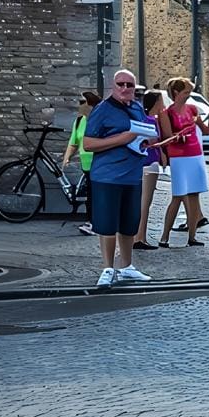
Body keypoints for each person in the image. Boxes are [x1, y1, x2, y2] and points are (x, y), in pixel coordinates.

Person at [81, 70, 153, 287]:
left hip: (132, 175)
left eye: (129, 85)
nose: (124, 88)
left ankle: (126, 266)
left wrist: (145, 141)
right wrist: (122, 139)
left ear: (135, 88)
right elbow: (88, 144)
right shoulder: (102, 110)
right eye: (120, 84)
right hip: (107, 175)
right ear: (113, 86)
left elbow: (141, 134)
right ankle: (107, 268)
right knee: (107, 224)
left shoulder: (137, 107)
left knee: (129, 224)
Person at [158, 77, 209, 248]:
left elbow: (206, 131)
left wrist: (207, 119)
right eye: (186, 92)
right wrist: (180, 135)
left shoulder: (193, 109)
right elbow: (167, 136)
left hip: (195, 154)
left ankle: (192, 236)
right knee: (178, 195)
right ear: (176, 93)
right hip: (179, 156)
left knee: (195, 195)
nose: (189, 95)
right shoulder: (167, 112)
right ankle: (164, 236)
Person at [134, 90, 173, 250]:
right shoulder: (150, 120)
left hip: (143, 161)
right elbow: (155, 139)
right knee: (145, 202)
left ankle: (138, 236)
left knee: (141, 201)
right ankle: (140, 237)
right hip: (150, 162)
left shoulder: (143, 118)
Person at [62, 91, 101, 235]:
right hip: (86, 164)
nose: (79, 106)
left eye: (81, 102)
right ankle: (93, 222)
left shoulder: (98, 119)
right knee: (91, 194)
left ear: (90, 104)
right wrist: (67, 157)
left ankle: (94, 223)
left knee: (94, 194)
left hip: (99, 161)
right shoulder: (79, 121)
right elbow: (73, 142)